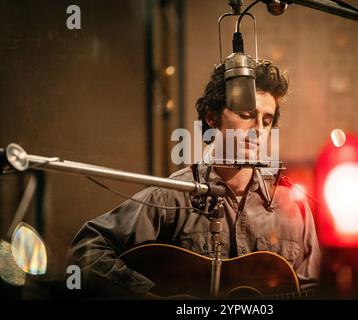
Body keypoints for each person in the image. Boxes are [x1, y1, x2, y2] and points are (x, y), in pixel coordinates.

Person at [67, 60, 321, 299]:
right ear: (212, 117)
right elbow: (84, 251)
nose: (258, 130)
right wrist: (148, 295)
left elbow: (315, 287)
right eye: (246, 115)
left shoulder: (293, 205)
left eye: (266, 121)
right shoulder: (172, 197)